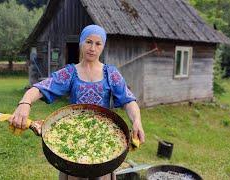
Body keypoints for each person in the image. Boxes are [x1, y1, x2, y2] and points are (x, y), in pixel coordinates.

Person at [9, 25, 145, 180]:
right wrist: (25, 102)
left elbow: (129, 101)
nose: (92, 48)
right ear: (81, 42)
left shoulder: (111, 73)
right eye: (88, 42)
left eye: (98, 43)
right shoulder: (70, 73)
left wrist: (137, 121)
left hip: (104, 139)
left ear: (103, 47)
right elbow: (41, 88)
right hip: (73, 139)